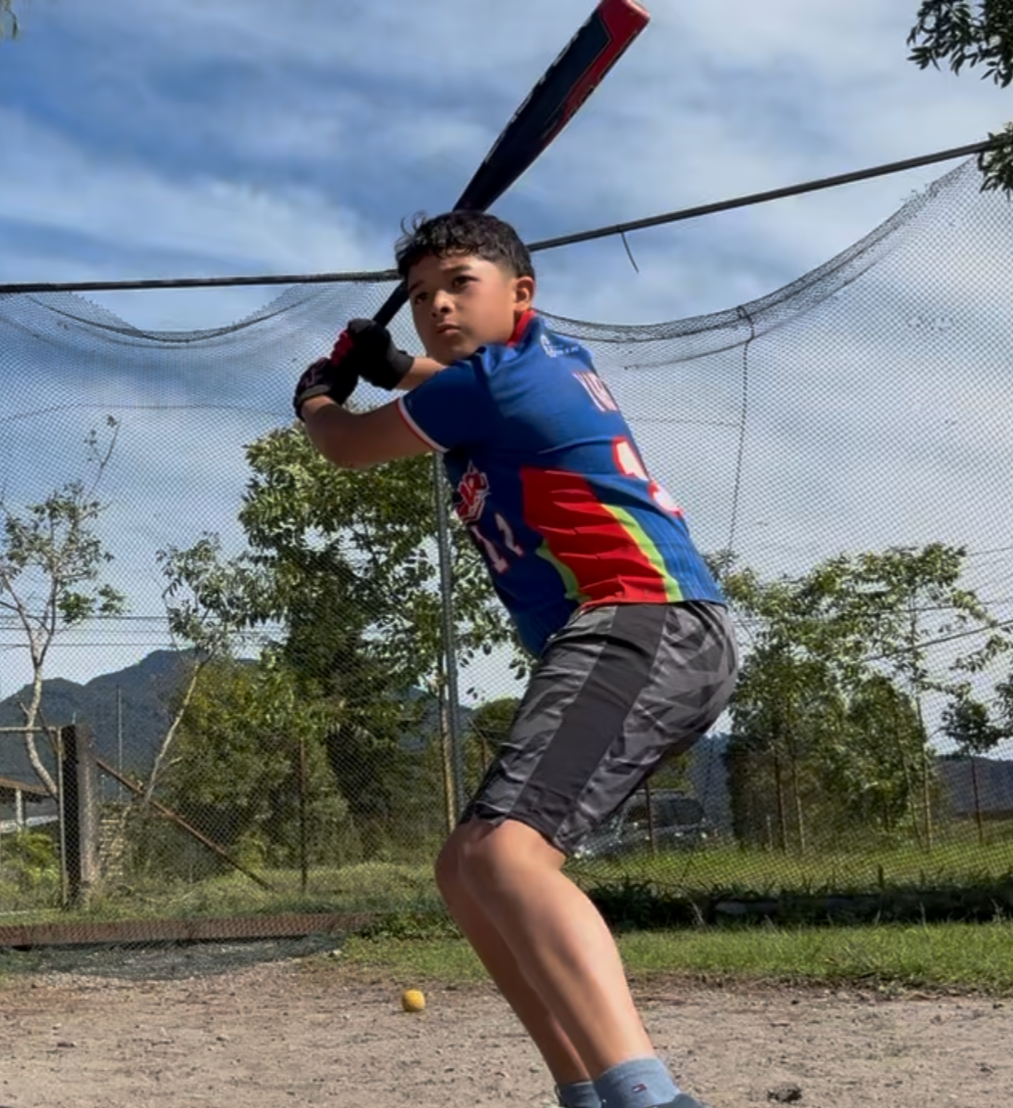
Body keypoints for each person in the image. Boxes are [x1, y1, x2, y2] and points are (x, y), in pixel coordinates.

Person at [291, 210, 738, 1108]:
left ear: (520, 293)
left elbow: (342, 445)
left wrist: (316, 391)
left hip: (642, 618)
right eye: (421, 294)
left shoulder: (491, 385)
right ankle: (585, 1090)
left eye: (461, 283)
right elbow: (444, 392)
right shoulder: (536, 362)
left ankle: (648, 1097)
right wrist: (385, 367)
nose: (436, 305)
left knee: (505, 856)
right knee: (465, 868)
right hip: (637, 630)